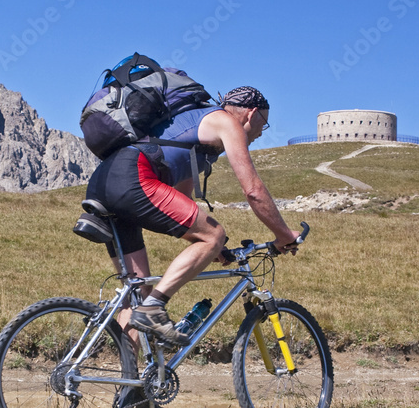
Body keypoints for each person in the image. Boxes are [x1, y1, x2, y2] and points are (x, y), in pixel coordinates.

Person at [84, 85, 302, 348]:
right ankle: (155, 307)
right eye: (263, 124)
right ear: (252, 113)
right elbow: (253, 191)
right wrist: (284, 234)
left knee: (137, 294)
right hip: (133, 176)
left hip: (104, 181)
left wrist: (212, 249)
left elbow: (183, 201)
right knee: (214, 235)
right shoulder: (225, 122)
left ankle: (129, 384)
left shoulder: (195, 131)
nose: (259, 133)